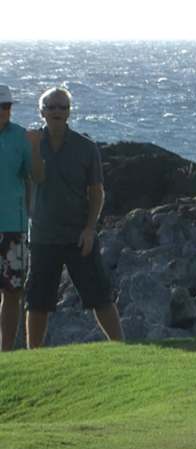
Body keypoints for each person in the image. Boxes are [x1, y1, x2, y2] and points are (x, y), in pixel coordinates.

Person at [24, 87, 123, 348]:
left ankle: (121, 348)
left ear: (69, 112)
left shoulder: (86, 147)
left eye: (63, 107)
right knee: (38, 301)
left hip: (78, 235)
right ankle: (34, 356)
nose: (57, 111)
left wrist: (90, 229)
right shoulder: (30, 143)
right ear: (42, 111)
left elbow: (96, 192)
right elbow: (28, 181)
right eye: (52, 107)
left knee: (100, 296)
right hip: (43, 235)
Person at [0, 85, 44, 351]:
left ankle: (5, 352)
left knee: (12, 292)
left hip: (13, 227)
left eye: (6, 106)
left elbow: (37, 176)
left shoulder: (21, 137)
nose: (3, 111)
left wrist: (36, 148)